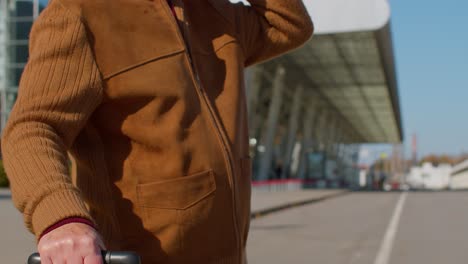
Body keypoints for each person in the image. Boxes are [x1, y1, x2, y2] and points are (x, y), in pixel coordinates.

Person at [1, 0, 313, 263]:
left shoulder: (212, 13)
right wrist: (62, 220)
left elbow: (288, 23)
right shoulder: (82, 12)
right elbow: (32, 128)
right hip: (140, 255)